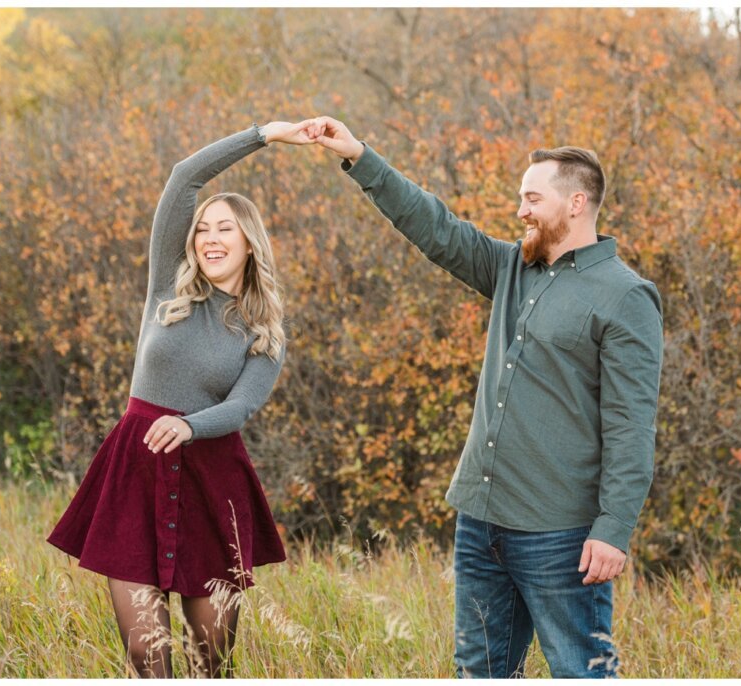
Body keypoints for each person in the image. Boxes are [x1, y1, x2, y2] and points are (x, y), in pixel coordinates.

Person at [306, 116, 663, 678]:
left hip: (560, 535)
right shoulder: (511, 267)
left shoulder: (627, 297)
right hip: (480, 522)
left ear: (575, 203)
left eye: (531, 198)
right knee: (480, 670)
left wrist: (613, 527)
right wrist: (357, 156)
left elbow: (631, 426)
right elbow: (437, 227)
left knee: (580, 671)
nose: (520, 210)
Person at [47, 120, 318, 677]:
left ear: (249, 243)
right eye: (203, 229)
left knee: (212, 662)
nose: (211, 238)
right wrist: (267, 134)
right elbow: (184, 177)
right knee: (148, 658)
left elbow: (242, 407)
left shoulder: (264, 332)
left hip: (211, 482)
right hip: (136, 471)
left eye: (226, 229)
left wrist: (191, 426)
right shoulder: (167, 288)